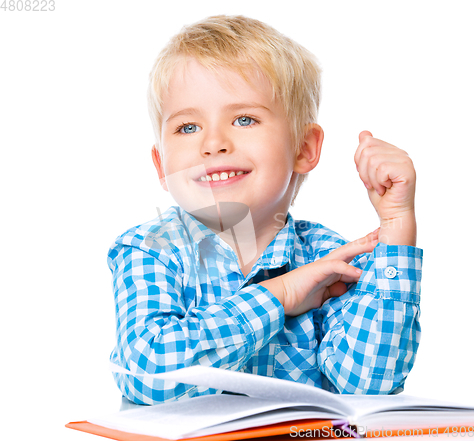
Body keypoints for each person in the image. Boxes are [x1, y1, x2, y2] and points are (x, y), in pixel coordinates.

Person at [108, 15, 422, 405]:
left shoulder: (327, 255)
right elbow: (148, 373)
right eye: (187, 127)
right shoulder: (151, 249)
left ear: (303, 149)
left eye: (244, 119)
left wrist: (395, 226)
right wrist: (282, 293)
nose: (213, 143)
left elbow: (367, 387)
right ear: (160, 165)